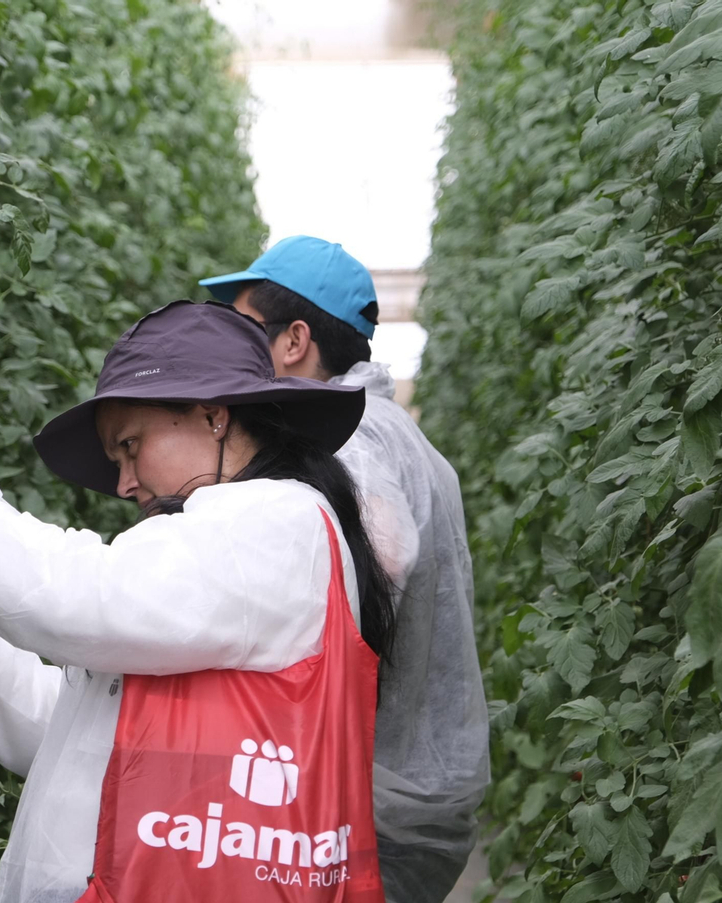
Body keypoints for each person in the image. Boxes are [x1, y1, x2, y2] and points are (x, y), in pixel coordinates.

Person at [0, 301, 398, 903]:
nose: (123, 484)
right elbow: (84, 738)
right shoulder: (218, 556)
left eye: (132, 445)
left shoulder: (277, 524)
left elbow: (79, 596)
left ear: (213, 416)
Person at [200, 236, 491, 903]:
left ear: (294, 340)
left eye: (244, 330)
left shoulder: (349, 437)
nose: (229, 350)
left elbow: (383, 551)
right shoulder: (396, 431)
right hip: (404, 794)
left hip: (365, 807)